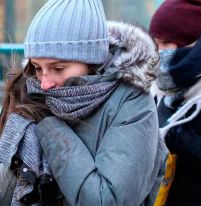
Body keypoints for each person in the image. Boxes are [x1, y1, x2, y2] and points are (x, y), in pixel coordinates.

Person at [0, 0, 167, 205]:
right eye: (37, 67)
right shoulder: (30, 94)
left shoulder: (132, 102)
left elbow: (107, 200)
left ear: (91, 60)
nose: (44, 83)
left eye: (58, 68)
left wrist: (50, 127)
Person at [149, 0, 201, 206]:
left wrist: (181, 137)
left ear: (190, 43)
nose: (158, 52)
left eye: (164, 43)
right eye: (155, 43)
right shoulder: (156, 88)